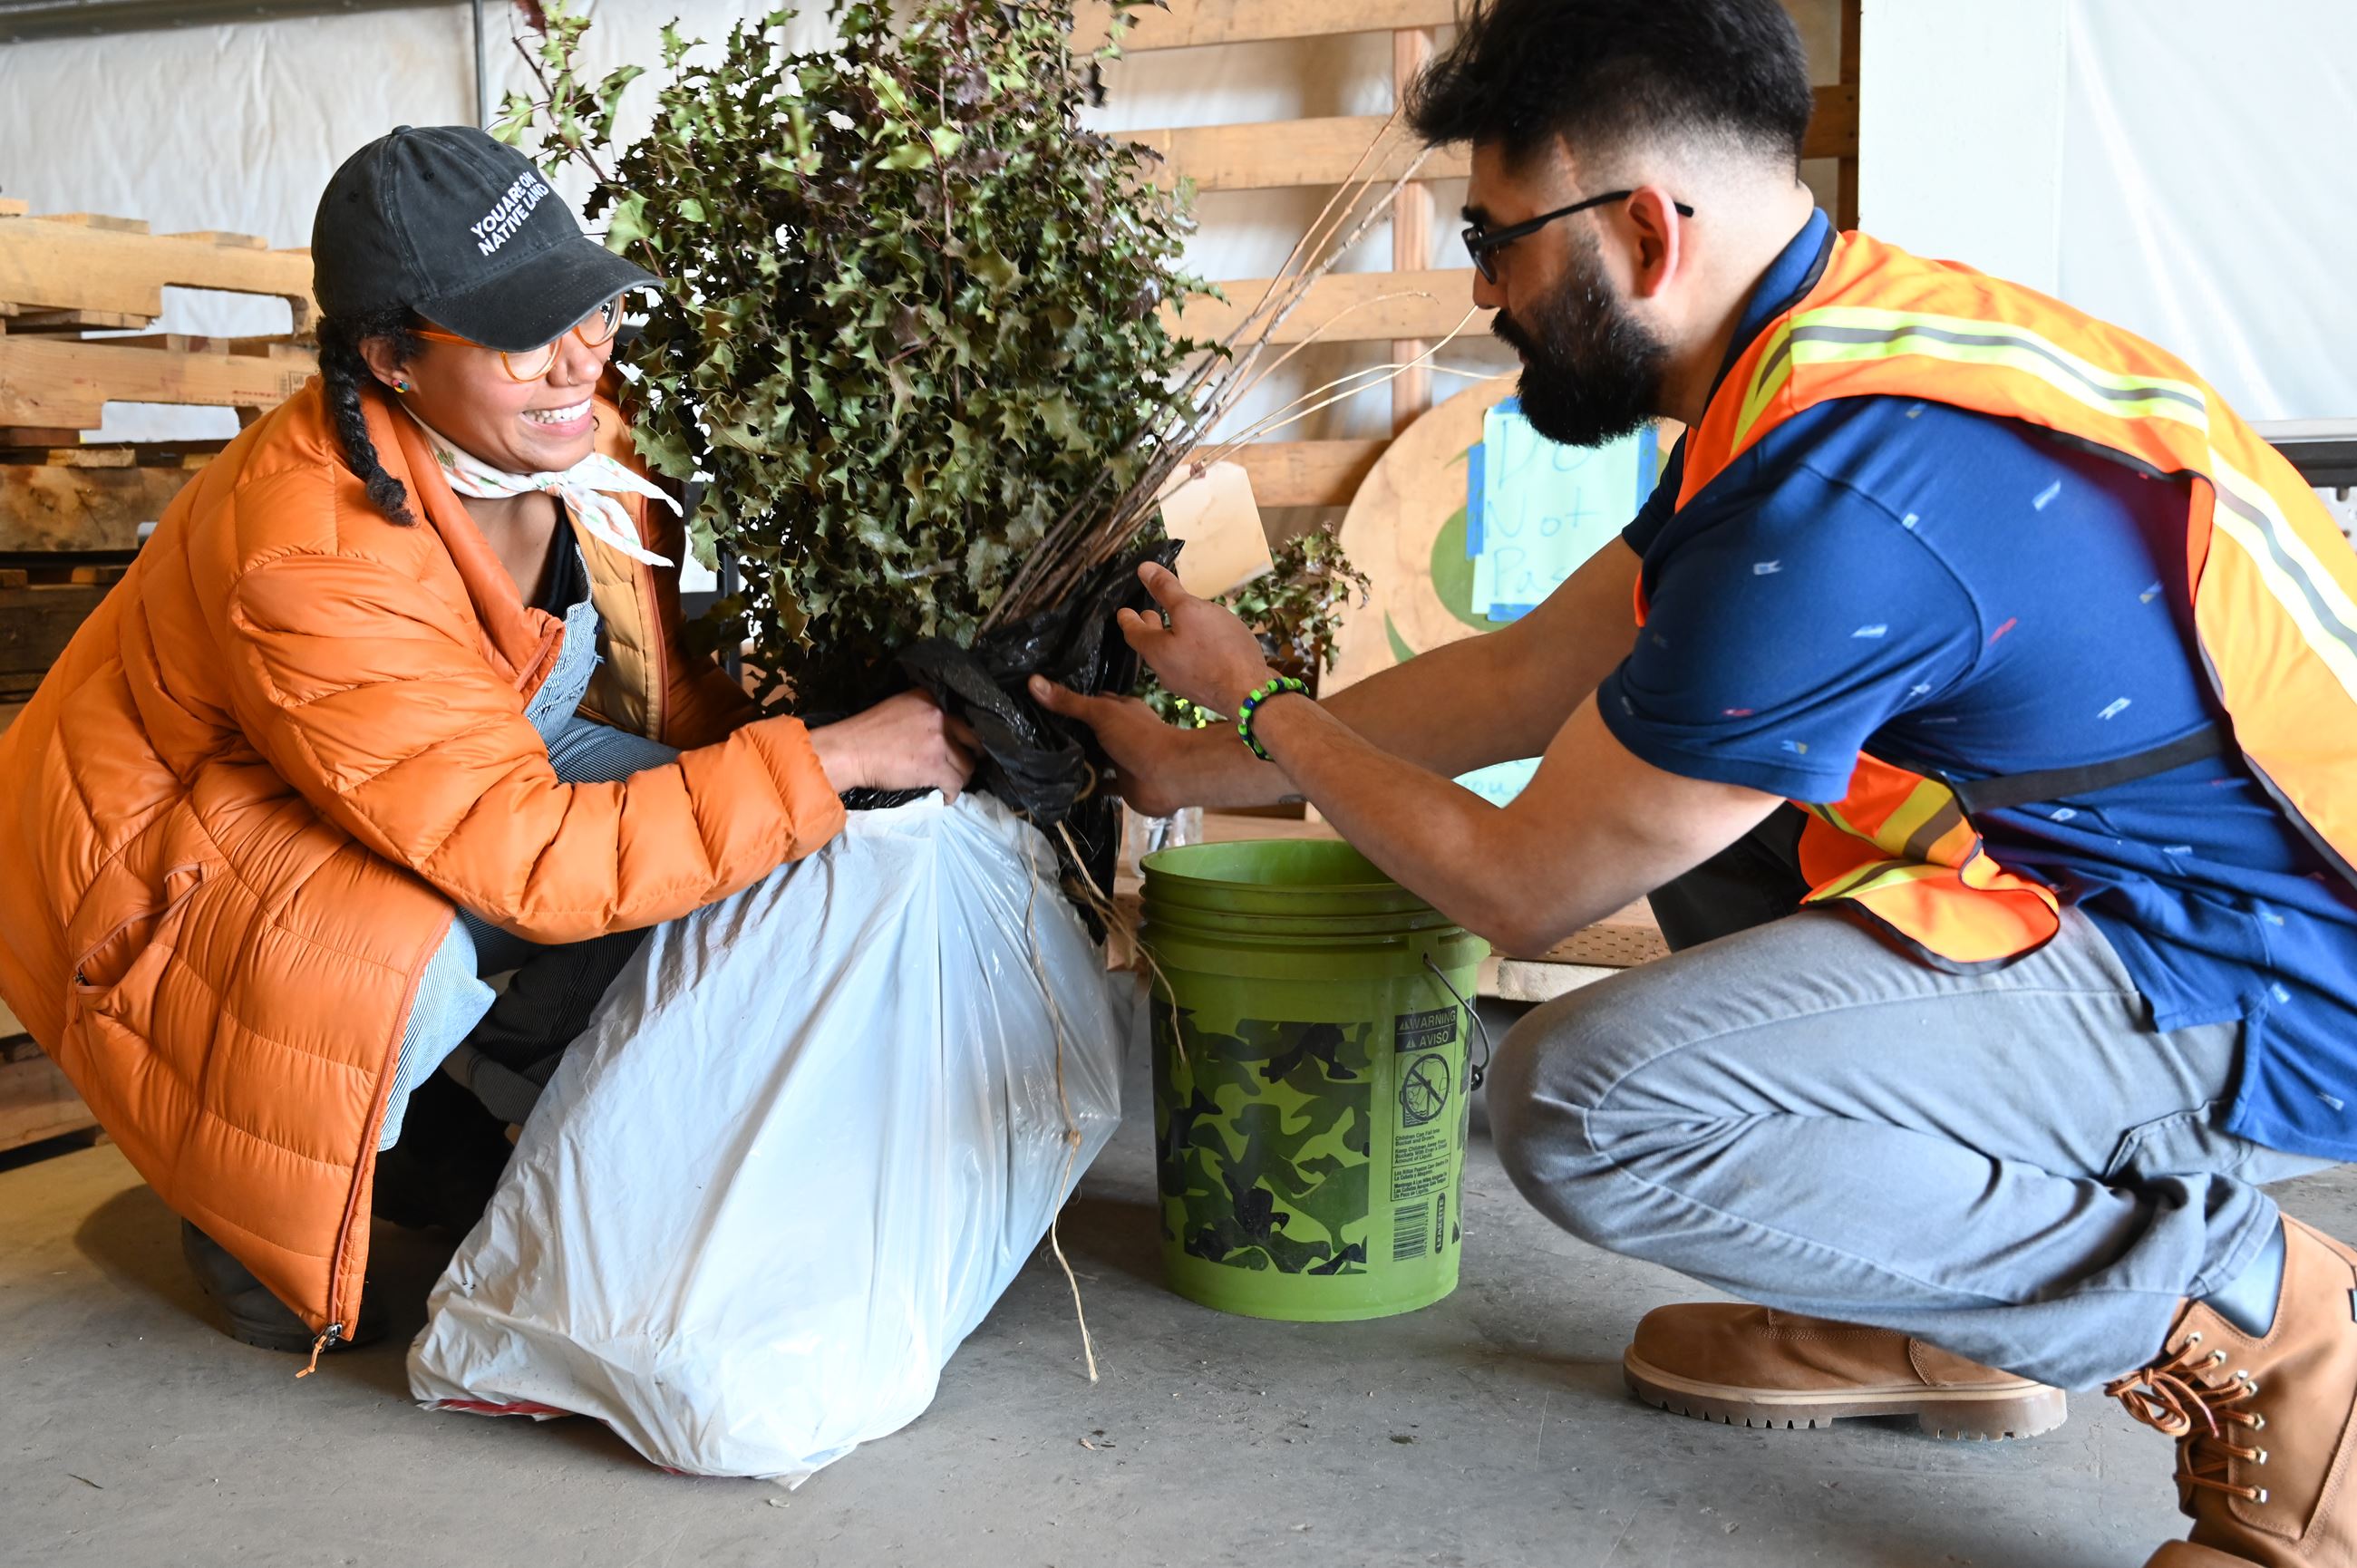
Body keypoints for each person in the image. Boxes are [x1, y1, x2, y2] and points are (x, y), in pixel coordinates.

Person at [1034, 3, 2357, 1563]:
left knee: (1593, 1105)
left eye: (1495, 235)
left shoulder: (1833, 497)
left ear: (1648, 230)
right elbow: (1531, 674)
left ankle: (2272, 1330)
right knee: (1719, 805)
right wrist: (1205, 749)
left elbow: (1528, 886)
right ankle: (1933, 1320)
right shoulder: (1828, 343)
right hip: (2168, 883)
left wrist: (1267, 703)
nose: (1481, 286)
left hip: (2256, 976)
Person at [0, 126, 974, 1360]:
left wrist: (818, 739)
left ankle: (460, 1115)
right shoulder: (311, 548)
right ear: (389, 358)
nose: (578, 355)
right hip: (163, 861)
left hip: (444, 763)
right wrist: (832, 759)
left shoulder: (579, 442)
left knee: (735, 832)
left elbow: (652, 695)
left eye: (588, 308)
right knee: (399, 959)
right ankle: (247, 1217)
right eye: (522, 331)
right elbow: (526, 858)